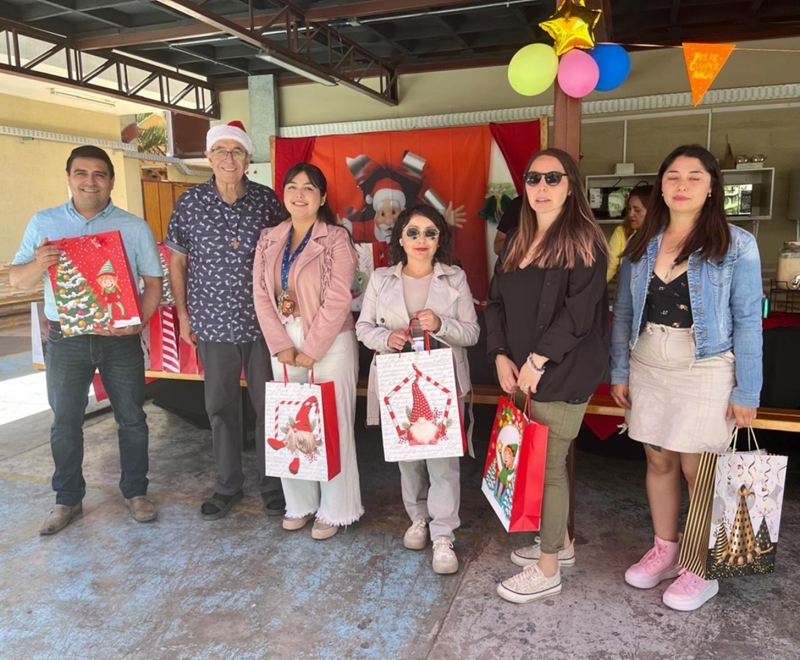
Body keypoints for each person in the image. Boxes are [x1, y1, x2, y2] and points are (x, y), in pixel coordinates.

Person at [610, 144, 762, 612]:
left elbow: (748, 320)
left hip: (705, 368)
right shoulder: (643, 242)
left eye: (695, 176)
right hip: (649, 363)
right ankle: (666, 550)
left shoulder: (736, 244)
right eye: (673, 176)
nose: (682, 185)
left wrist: (748, 389)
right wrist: (619, 369)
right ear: (661, 186)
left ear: (712, 186)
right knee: (658, 461)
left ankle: (701, 566)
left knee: (700, 471)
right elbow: (624, 313)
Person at [10, 145, 163, 534]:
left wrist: (139, 322)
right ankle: (67, 499)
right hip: (67, 340)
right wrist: (39, 263)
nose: (90, 181)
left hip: (119, 341)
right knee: (65, 422)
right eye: (81, 173)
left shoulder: (134, 227)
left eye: (99, 174)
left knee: (132, 418)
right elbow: (16, 279)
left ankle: (136, 493)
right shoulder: (44, 223)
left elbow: (153, 282)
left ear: (111, 180)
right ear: (69, 178)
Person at [485, 148, 609, 604]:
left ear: (571, 186)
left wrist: (537, 361)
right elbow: (495, 302)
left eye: (553, 178)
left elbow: (578, 315)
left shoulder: (585, 242)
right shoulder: (518, 240)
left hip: (562, 371)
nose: (542, 187)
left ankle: (548, 568)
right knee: (534, 462)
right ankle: (562, 543)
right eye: (534, 178)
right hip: (521, 371)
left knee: (549, 467)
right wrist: (500, 354)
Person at [165, 121, 285, 520]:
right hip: (212, 323)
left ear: (248, 159)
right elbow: (177, 262)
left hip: (263, 324)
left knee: (269, 406)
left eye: (236, 151)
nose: (228, 158)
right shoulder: (190, 202)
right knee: (220, 408)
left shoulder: (267, 201)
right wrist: (183, 314)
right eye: (220, 150)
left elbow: (286, 256)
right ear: (208, 157)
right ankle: (228, 485)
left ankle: (273, 484)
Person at [356, 204, 479, 574]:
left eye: (430, 232)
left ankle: (443, 534)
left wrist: (441, 324)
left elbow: (472, 333)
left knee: (443, 461)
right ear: (400, 238)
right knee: (407, 458)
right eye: (413, 232)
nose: (421, 240)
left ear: (439, 239)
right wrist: (386, 338)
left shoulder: (454, 278)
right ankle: (418, 518)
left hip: (441, 379)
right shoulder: (381, 279)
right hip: (398, 380)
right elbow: (362, 328)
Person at [253, 162, 362, 540]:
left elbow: (338, 298)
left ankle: (336, 510)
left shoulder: (336, 238)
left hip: (329, 341)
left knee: (332, 424)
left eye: (309, 188)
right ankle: (299, 503)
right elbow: (261, 295)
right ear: (283, 194)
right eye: (292, 187)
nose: (299, 195)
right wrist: (281, 344)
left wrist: (312, 349)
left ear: (322, 197)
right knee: (290, 423)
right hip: (284, 340)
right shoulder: (269, 238)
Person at [606, 185, 652, 282]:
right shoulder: (622, 232)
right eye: (629, 209)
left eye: (637, 210)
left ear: (653, 211)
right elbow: (609, 267)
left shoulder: (664, 237)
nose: (631, 214)